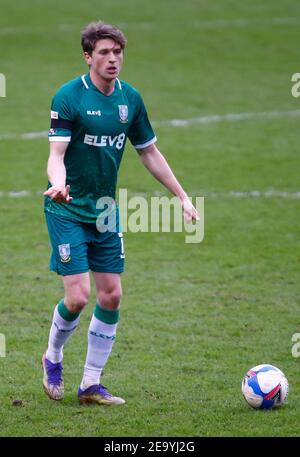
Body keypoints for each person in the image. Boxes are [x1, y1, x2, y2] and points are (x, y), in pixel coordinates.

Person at [42, 21, 199, 406]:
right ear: (88, 57)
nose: (113, 59)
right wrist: (59, 184)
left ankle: (91, 384)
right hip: (67, 209)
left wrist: (181, 195)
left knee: (111, 295)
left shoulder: (131, 99)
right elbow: (55, 155)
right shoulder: (69, 97)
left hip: (106, 212)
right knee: (78, 297)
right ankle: (53, 358)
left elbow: (148, 151)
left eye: (118, 52)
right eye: (104, 53)